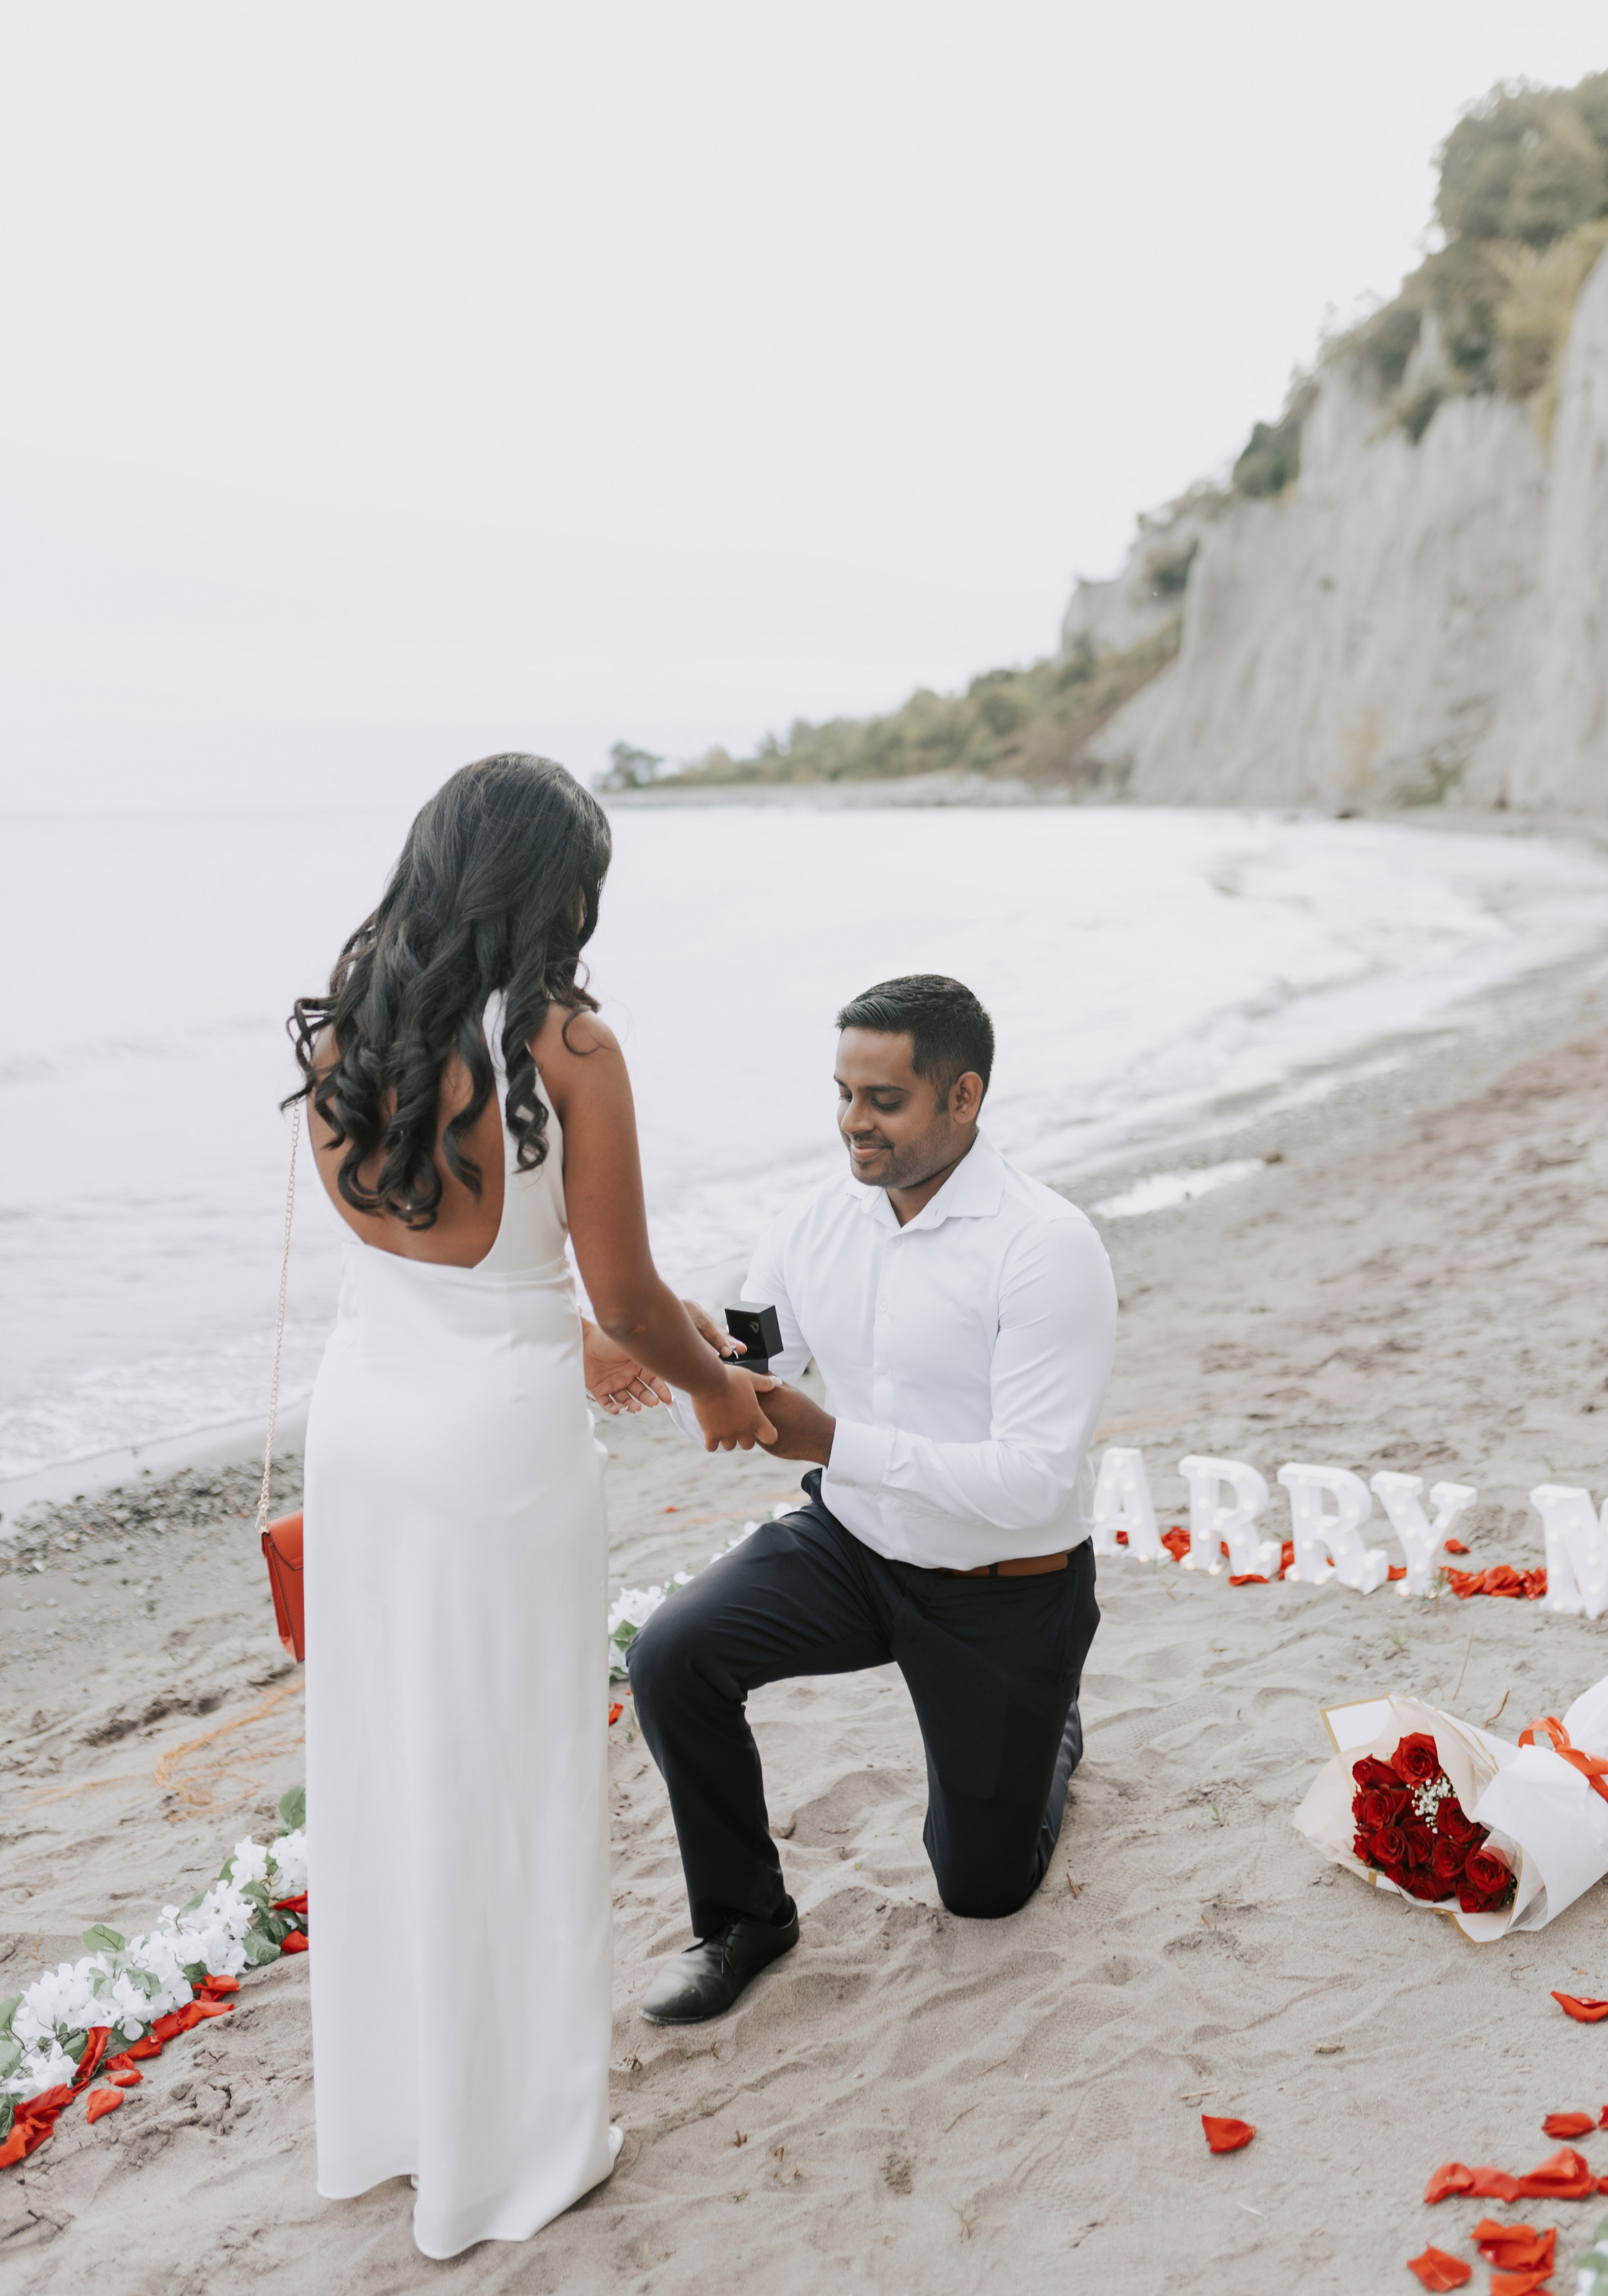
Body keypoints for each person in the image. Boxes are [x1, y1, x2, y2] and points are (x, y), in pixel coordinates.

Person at [290, 755, 773, 2260]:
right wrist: (712, 1386)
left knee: (390, 1775)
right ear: (553, 886)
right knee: (512, 1785)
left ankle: (395, 2121)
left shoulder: (344, 1026)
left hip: (366, 1428)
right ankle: (518, 2152)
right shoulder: (561, 1044)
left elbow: (425, 1264)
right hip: (495, 1455)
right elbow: (623, 1294)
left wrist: (571, 1336)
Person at [628, 974, 1117, 2024]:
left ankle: (1052, 1727)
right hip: (853, 1547)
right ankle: (742, 1919)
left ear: (963, 1098)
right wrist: (681, 1362)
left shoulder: (1046, 1246)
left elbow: (1033, 1476)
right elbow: (749, 1395)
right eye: (843, 1093)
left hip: (1004, 1582)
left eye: (883, 1100)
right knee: (674, 1655)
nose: (854, 1122)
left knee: (980, 1892)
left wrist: (833, 1438)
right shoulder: (810, 1225)